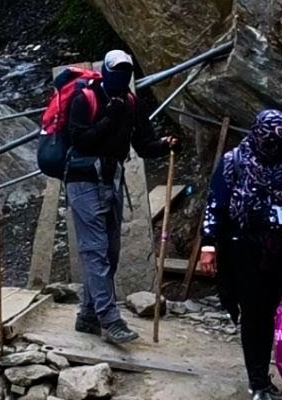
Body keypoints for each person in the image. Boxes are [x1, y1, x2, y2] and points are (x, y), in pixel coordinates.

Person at [199, 110, 282, 400]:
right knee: (254, 314)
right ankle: (259, 381)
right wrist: (208, 244)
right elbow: (215, 204)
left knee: (274, 310)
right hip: (244, 248)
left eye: (279, 143)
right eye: (268, 142)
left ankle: (273, 372)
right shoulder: (234, 162)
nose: (273, 148)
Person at [66, 49, 178, 345]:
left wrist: (165, 145)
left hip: (112, 180)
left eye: (127, 70)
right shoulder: (85, 99)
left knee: (111, 251)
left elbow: (144, 144)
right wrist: (108, 119)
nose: (122, 75)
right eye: (117, 69)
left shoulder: (131, 102)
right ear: (106, 70)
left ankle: (88, 314)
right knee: (95, 250)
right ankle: (110, 319)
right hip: (83, 180)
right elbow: (79, 140)